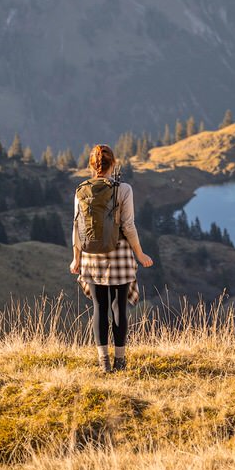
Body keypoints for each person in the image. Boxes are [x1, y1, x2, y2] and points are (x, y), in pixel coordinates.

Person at [70, 143, 153, 372]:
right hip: (120, 254)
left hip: (91, 256)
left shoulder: (81, 189)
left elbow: (77, 226)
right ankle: (120, 360)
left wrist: (76, 258)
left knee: (100, 307)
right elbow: (128, 225)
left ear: (91, 165)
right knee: (119, 308)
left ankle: (103, 362)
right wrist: (140, 253)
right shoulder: (123, 189)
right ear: (112, 164)